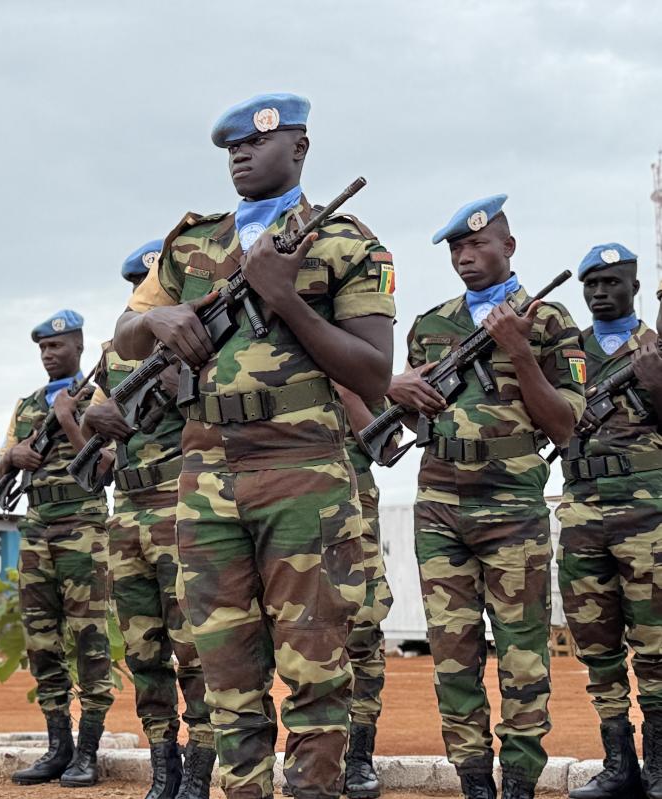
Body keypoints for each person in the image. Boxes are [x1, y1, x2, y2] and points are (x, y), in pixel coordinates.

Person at [113, 93, 396, 799]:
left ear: (299, 148)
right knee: (226, 673)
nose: (241, 154)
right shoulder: (190, 245)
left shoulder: (347, 244)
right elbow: (125, 333)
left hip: (303, 472)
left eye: (258, 142)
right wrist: (162, 319)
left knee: (315, 669)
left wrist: (288, 298)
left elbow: (372, 373)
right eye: (233, 146)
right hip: (205, 476)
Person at [388, 195, 583, 799]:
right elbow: (413, 417)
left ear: (509, 247)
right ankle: (473, 780)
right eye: (456, 249)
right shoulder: (431, 326)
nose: (465, 257)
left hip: (511, 508)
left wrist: (519, 350)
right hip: (438, 505)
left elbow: (566, 425)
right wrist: (401, 394)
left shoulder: (548, 321)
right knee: (453, 655)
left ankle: (519, 782)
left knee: (522, 655)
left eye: (477, 245)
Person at [79, 242, 213, 799]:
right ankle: (163, 765)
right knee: (143, 648)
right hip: (128, 514)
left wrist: (186, 390)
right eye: (141, 286)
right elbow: (91, 428)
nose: (147, 294)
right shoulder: (115, 355)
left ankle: (199, 768)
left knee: (195, 647)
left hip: (181, 505)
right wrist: (95, 418)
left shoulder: (200, 342)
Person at [555, 243, 662, 799]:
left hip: (648, 509)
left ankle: (660, 765)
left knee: (657, 641)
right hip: (581, 510)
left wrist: (657, 383)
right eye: (591, 284)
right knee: (596, 642)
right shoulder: (567, 351)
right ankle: (619, 765)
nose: (600, 292)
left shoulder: (655, 347)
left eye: (611, 282)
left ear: (634, 288)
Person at [0, 308, 115, 788]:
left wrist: (68, 420)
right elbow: (0, 461)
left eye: (57, 346)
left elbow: (105, 466)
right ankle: (58, 747)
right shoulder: (26, 405)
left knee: (89, 639)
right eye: (43, 347)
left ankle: (88, 751)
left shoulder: (99, 397)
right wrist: (14, 456)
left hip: (82, 527)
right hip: (37, 528)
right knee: (41, 641)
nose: (48, 354)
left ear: (79, 347)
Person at [332, 383, 394, 799]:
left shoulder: (357, 363)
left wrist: (345, 389)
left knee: (363, 632)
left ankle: (358, 755)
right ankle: (315, 755)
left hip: (353, 507)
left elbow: (386, 447)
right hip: (282, 505)